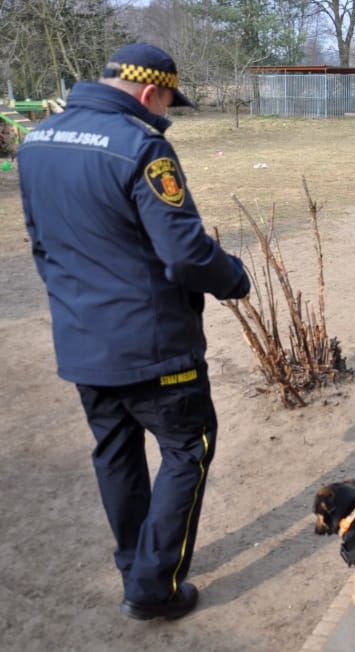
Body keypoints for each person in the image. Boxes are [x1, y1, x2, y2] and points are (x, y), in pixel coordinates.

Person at [17, 43, 250, 619]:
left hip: (82, 340)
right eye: (167, 101)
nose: (166, 112)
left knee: (115, 453)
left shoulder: (37, 141)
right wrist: (234, 279)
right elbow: (185, 254)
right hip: (154, 347)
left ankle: (135, 562)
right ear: (150, 92)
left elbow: (41, 242)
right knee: (186, 451)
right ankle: (153, 588)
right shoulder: (141, 147)